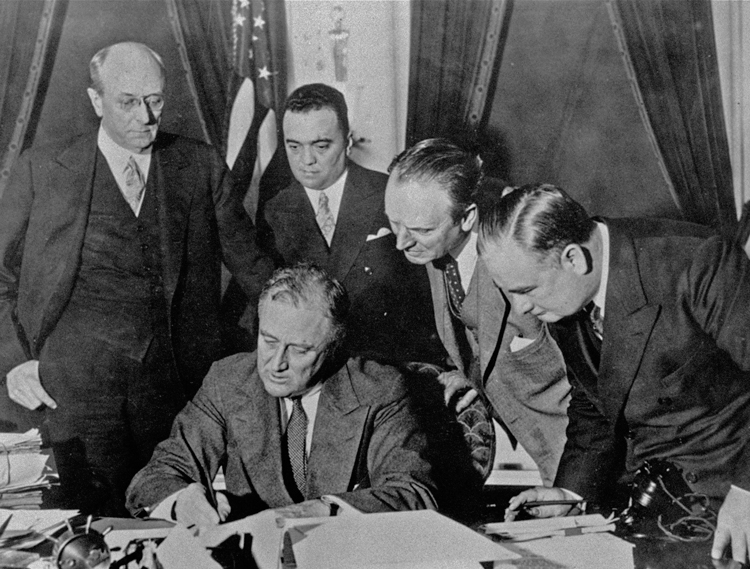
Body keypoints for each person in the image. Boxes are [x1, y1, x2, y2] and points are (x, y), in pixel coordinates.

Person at [0, 42, 272, 515]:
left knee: (178, 520)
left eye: (155, 100)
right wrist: (15, 358)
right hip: (74, 391)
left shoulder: (200, 165)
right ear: (96, 100)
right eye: (127, 101)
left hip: (177, 391)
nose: (145, 116)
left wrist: (300, 333)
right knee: (94, 528)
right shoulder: (42, 171)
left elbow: (253, 268)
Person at [477, 183, 750, 563]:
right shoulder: (562, 294)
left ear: (574, 259)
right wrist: (571, 494)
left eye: (526, 290)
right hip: (654, 502)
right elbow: (595, 402)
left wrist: (747, 491)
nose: (521, 309)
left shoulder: (697, 261)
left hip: (731, 492)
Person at [126, 264, 437, 525]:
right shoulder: (228, 381)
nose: (276, 364)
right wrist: (183, 500)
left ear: (333, 348)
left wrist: (329, 509)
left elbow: (413, 492)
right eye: (268, 340)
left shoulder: (379, 388)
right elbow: (155, 476)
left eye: (300, 350)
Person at [384, 139, 570, 485]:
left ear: (468, 217)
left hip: (567, 453)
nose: (401, 242)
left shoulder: (522, 243)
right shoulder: (431, 240)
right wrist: (467, 375)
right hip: (513, 455)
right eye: (394, 224)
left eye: (420, 230)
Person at [223, 83, 442, 364]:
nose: (306, 161)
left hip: (389, 362)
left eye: (321, 145)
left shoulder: (389, 191)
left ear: (348, 141)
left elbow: (427, 293)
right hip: (312, 369)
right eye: (294, 146)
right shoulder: (274, 209)